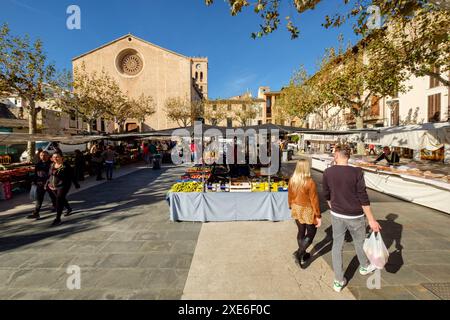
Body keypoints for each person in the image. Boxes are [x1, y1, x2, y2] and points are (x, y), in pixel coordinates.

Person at [323, 145, 381, 292]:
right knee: (360, 242)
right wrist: (371, 219)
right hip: (355, 215)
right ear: (348, 156)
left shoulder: (328, 172)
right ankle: (364, 266)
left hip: (337, 214)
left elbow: (326, 194)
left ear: (336, 154)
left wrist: (333, 206)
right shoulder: (357, 172)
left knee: (337, 245)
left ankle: (338, 280)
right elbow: (363, 196)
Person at [288, 159, 322, 269]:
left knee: (301, 231)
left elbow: (290, 195)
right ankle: (299, 253)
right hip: (307, 209)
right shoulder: (310, 182)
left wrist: (290, 205)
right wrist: (318, 215)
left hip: (296, 207)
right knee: (311, 233)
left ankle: (302, 253)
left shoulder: (292, 180)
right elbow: (314, 200)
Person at [47, 152, 80, 226]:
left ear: (62, 158)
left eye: (57, 157)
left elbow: (72, 176)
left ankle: (58, 219)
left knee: (59, 200)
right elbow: (49, 175)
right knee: (61, 199)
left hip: (63, 185)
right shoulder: (52, 165)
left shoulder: (66, 166)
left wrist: (76, 184)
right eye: (54, 157)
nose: (55, 158)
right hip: (53, 185)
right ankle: (69, 208)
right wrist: (47, 183)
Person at [27, 151, 55, 220]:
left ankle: (56, 206)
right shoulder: (38, 164)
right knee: (39, 198)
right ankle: (36, 213)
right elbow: (36, 174)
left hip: (49, 183)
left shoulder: (52, 164)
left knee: (53, 196)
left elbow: (51, 175)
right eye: (41, 155)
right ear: (39, 156)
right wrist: (34, 181)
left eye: (45, 155)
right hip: (40, 184)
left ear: (48, 156)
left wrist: (48, 182)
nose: (43, 156)